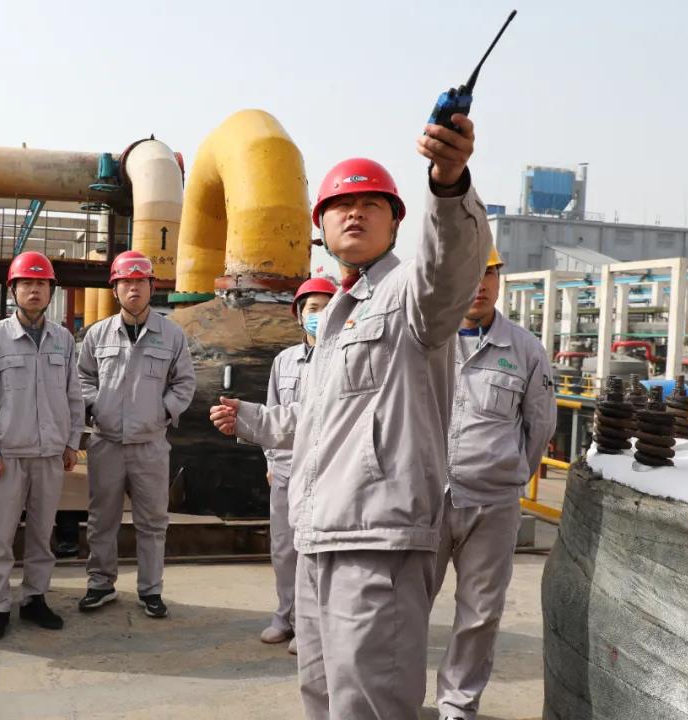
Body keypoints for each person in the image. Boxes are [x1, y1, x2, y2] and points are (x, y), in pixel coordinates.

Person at [209, 114, 491, 718]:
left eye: (371, 204)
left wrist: (448, 183)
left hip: (377, 538)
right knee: (321, 696)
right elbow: (317, 423)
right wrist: (251, 420)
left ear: (397, 220)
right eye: (340, 205)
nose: (355, 213)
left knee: (370, 702)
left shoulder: (411, 293)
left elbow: (451, 267)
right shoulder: (337, 315)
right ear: (320, 225)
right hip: (318, 536)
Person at [434, 247, 556, 720]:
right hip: (426, 499)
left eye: (489, 273)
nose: (480, 284)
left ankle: (457, 704)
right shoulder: (428, 340)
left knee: (480, 612)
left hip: (492, 505)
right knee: (404, 604)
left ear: (500, 280)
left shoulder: (525, 350)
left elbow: (539, 427)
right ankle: (394, 698)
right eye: (471, 272)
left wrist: (506, 473)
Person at [77, 250, 195, 618]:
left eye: (140, 281)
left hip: (150, 445)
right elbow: (82, 378)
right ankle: (100, 584)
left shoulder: (171, 334)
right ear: (114, 288)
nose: (133, 288)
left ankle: (150, 590)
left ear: (151, 287)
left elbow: (184, 382)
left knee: (153, 522)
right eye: (126, 282)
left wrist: (162, 412)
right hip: (106, 443)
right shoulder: (98, 334)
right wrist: (97, 407)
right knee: (101, 519)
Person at [0, 252, 83, 640]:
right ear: (13, 290)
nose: (34, 290)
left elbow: (73, 395)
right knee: (1, 535)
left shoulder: (63, 339)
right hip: (8, 454)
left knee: (41, 533)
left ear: (51, 291)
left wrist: (71, 442)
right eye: (27, 284)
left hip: (50, 454)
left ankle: (35, 598)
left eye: (41, 284)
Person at [260, 277, 336, 654]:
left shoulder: (343, 358)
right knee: (284, 548)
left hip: (328, 473)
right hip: (287, 472)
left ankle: (312, 626)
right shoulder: (284, 361)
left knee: (318, 552)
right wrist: (271, 461)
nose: (319, 315)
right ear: (299, 315)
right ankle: (284, 617)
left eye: (327, 307)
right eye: (313, 308)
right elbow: (272, 415)